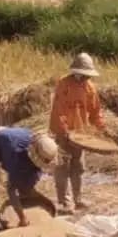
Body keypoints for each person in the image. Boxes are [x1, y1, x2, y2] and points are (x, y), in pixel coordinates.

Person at [49, 52, 107, 212]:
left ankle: (78, 199)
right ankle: (64, 201)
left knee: (79, 167)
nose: (86, 77)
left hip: (81, 134)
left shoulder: (90, 87)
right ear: (77, 71)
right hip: (63, 133)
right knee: (62, 166)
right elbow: (59, 110)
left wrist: (102, 129)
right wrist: (64, 130)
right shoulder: (64, 84)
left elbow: (96, 111)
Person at [0, 125, 60, 232]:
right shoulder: (15, 153)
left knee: (25, 181)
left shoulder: (38, 146)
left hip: (6, 134)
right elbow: (11, 189)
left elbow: (34, 173)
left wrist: (31, 192)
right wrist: (22, 218)